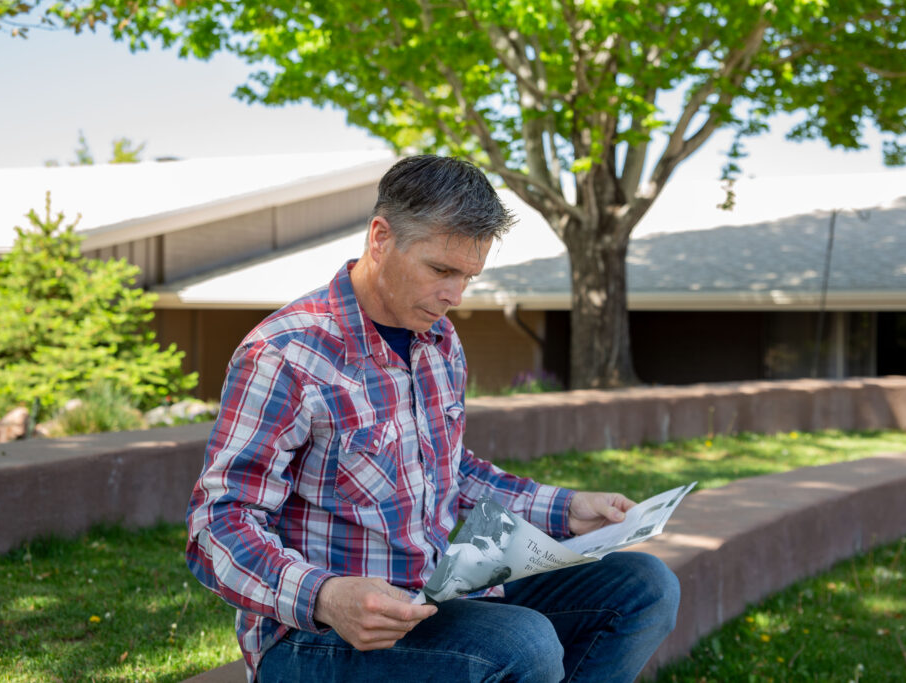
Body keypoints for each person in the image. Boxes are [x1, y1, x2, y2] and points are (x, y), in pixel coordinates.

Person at [185, 155, 680, 682]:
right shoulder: (285, 353)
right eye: (441, 270)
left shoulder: (439, 340)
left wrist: (566, 509)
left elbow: (451, 468)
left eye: (468, 276)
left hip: (436, 595)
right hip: (320, 636)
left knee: (645, 587)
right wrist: (326, 596)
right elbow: (216, 525)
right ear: (380, 238)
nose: (455, 296)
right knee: (524, 644)